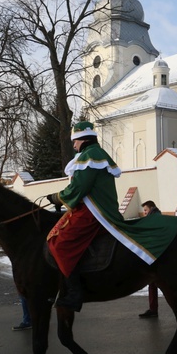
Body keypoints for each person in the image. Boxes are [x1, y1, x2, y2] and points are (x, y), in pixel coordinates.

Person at [46, 121, 123, 312]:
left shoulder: (91, 156)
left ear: (83, 139)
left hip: (94, 211)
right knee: (54, 234)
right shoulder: (94, 155)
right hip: (87, 207)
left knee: (60, 243)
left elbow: (79, 187)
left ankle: (75, 293)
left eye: (75, 141)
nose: (73, 145)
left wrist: (58, 197)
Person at [139, 201, 161, 318]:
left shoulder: (153, 219)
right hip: (156, 256)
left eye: (146, 210)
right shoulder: (156, 217)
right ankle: (153, 308)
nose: (144, 212)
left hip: (156, 256)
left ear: (151, 208)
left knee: (154, 282)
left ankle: (153, 309)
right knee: (153, 282)